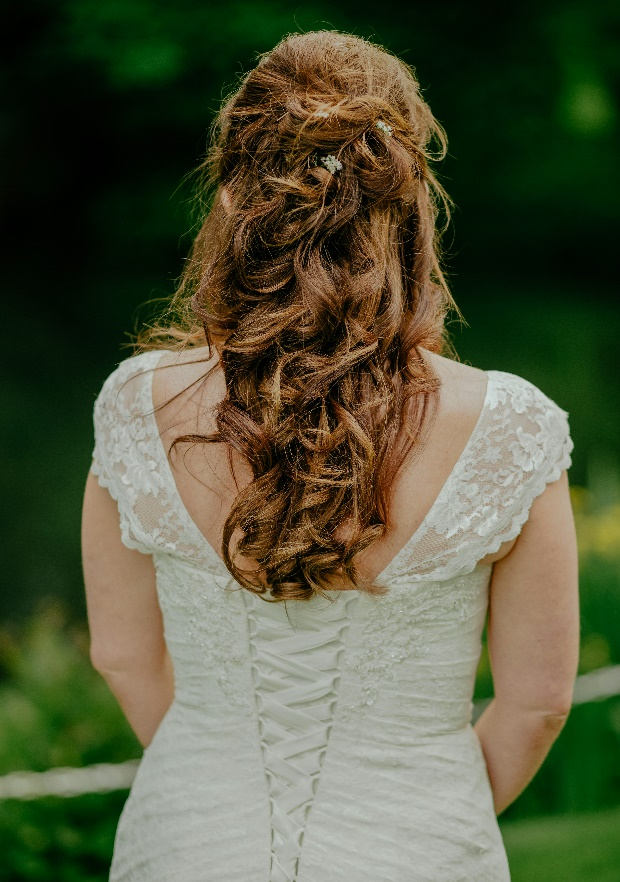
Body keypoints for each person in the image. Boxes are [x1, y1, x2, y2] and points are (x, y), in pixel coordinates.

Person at [81, 30, 579, 882]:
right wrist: (428, 814)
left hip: (184, 844)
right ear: (409, 202)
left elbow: (120, 656)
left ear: (232, 197)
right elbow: (537, 705)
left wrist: (209, 785)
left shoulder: (137, 404)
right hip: (419, 851)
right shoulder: (509, 425)